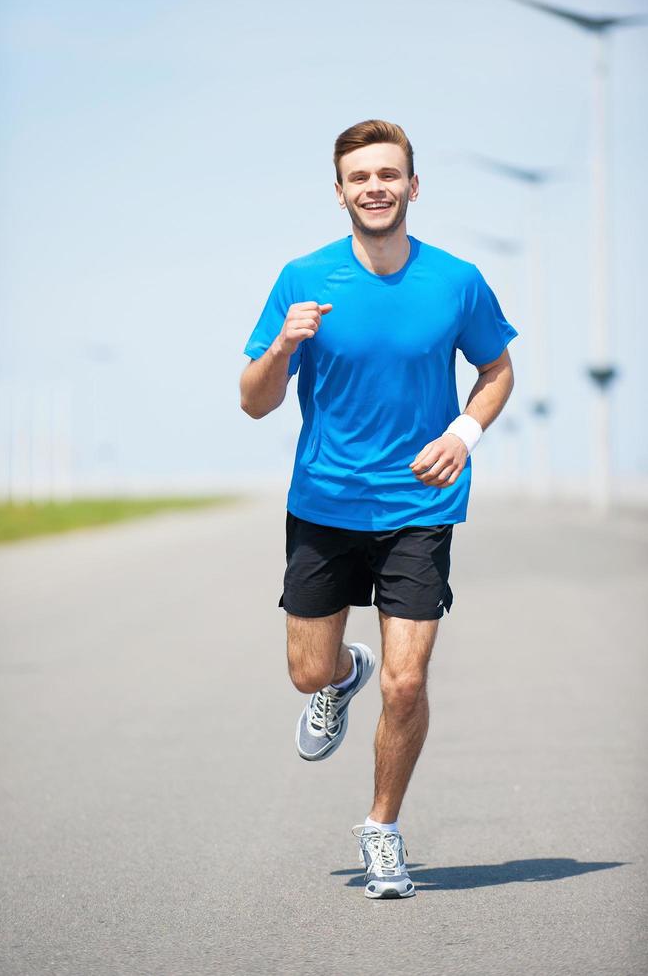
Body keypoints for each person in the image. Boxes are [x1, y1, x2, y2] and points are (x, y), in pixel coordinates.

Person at [239, 119, 518, 900]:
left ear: (412, 186)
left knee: (407, 683)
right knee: (306, 673)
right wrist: (282, 350)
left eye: (388, 174)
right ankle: (339, 676)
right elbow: (254, 403)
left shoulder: (456, 280)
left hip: (420, 505)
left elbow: (496, 369)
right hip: (324, 503)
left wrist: (464, 433)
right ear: (340, 192)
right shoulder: (303, 278)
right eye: (360, 177)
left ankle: (382, 829)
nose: (375, 187)